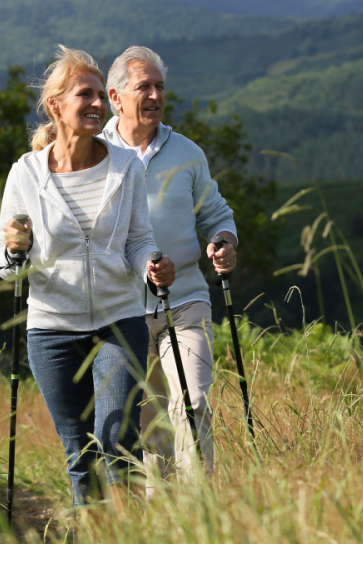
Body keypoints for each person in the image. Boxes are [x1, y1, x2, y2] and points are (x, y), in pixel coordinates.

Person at [0, 45, 175, 507]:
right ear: (56, 105)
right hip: (52, 329)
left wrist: (152, 262)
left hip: (119, 320)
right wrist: (15, 250)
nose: (97, 104)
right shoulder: (26, 174)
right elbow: (3, 259)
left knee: (116, 440)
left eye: (100, 95)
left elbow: (138, 239)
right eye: (85, 95)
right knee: (80, 453)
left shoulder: (125, 166)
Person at [99, 45, 238, 478]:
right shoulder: (92, 155)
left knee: (192, 405)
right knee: (152, 428)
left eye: (160, 86)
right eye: (145, 87)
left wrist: (223, 240)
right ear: (115, 97)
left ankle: (201, 515)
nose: (156, 96)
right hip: (123, 313)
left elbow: (216, 214)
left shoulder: (187, 152)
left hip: (184, 302)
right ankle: (163, 521)